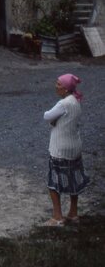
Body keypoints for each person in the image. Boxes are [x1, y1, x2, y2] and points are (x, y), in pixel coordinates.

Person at [43, 73, 89, 226]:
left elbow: (47, 116)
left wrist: (53, 120)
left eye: (59, 84)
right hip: (74, 147)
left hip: (60, 148)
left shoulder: (63, 104)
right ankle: (73, 213)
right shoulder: (75, 101)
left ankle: (57, 216)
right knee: (74, 180)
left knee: (54, 182)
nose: (56, 86)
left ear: (66, 88)